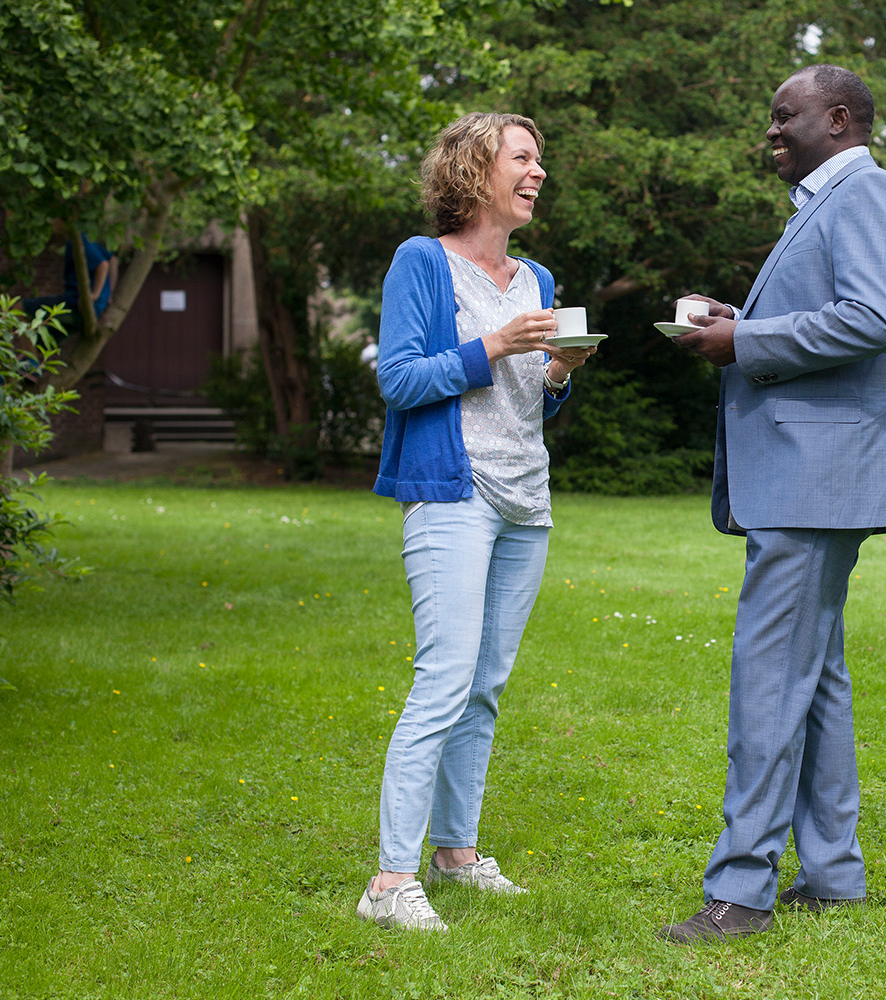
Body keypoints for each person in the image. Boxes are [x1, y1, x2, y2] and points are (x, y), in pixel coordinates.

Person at [661, 65, 886, 944]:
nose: (770, 131)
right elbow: (839, 315)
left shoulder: (870, 194)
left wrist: (744, 341)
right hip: (811, 474)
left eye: (786, 116)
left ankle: (740, 891)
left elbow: (872, 318)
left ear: (839, 119)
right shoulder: (826, 202)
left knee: (770, 680)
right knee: (815, 683)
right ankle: (834, 874)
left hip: (818, 477)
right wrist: (742, 322)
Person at [357, 111, 596, 933]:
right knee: (444, 679)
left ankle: (455, 854)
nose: (538, 173)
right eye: (523, 158)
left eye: (540, 161)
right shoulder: (421, 262)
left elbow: (529, 406)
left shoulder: (537, 279)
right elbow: (399, 380)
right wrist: (494, 344)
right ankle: (389, 884)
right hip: (451, 495)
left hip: (526, 501)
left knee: (485, 688)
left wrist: (559, 372)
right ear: (473, 170)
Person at [21, 228, 114, 334]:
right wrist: (110, 293)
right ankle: (32, 349)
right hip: (92, 310)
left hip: (75, 304)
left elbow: (103, 265)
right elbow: (112, 260)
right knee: (42, 344)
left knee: (19, 308)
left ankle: (25, 350)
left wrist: (93, 295)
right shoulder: (89, 237)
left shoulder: (78, 241)